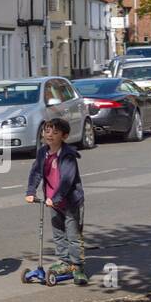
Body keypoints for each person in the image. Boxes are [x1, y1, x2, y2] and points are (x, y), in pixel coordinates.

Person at [26, 117, 88, 285]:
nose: (50, 135)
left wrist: (55, 198)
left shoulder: (67, 155)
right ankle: (64, 261)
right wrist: (31, 191)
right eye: (47, 131)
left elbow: (67, 180)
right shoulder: (43, 153)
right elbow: (36, 172)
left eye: (55, 132)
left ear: (64, 136)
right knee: (58, 234)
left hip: (70, 202)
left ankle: (78, 267)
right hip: (52, 201)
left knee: (73, 236)